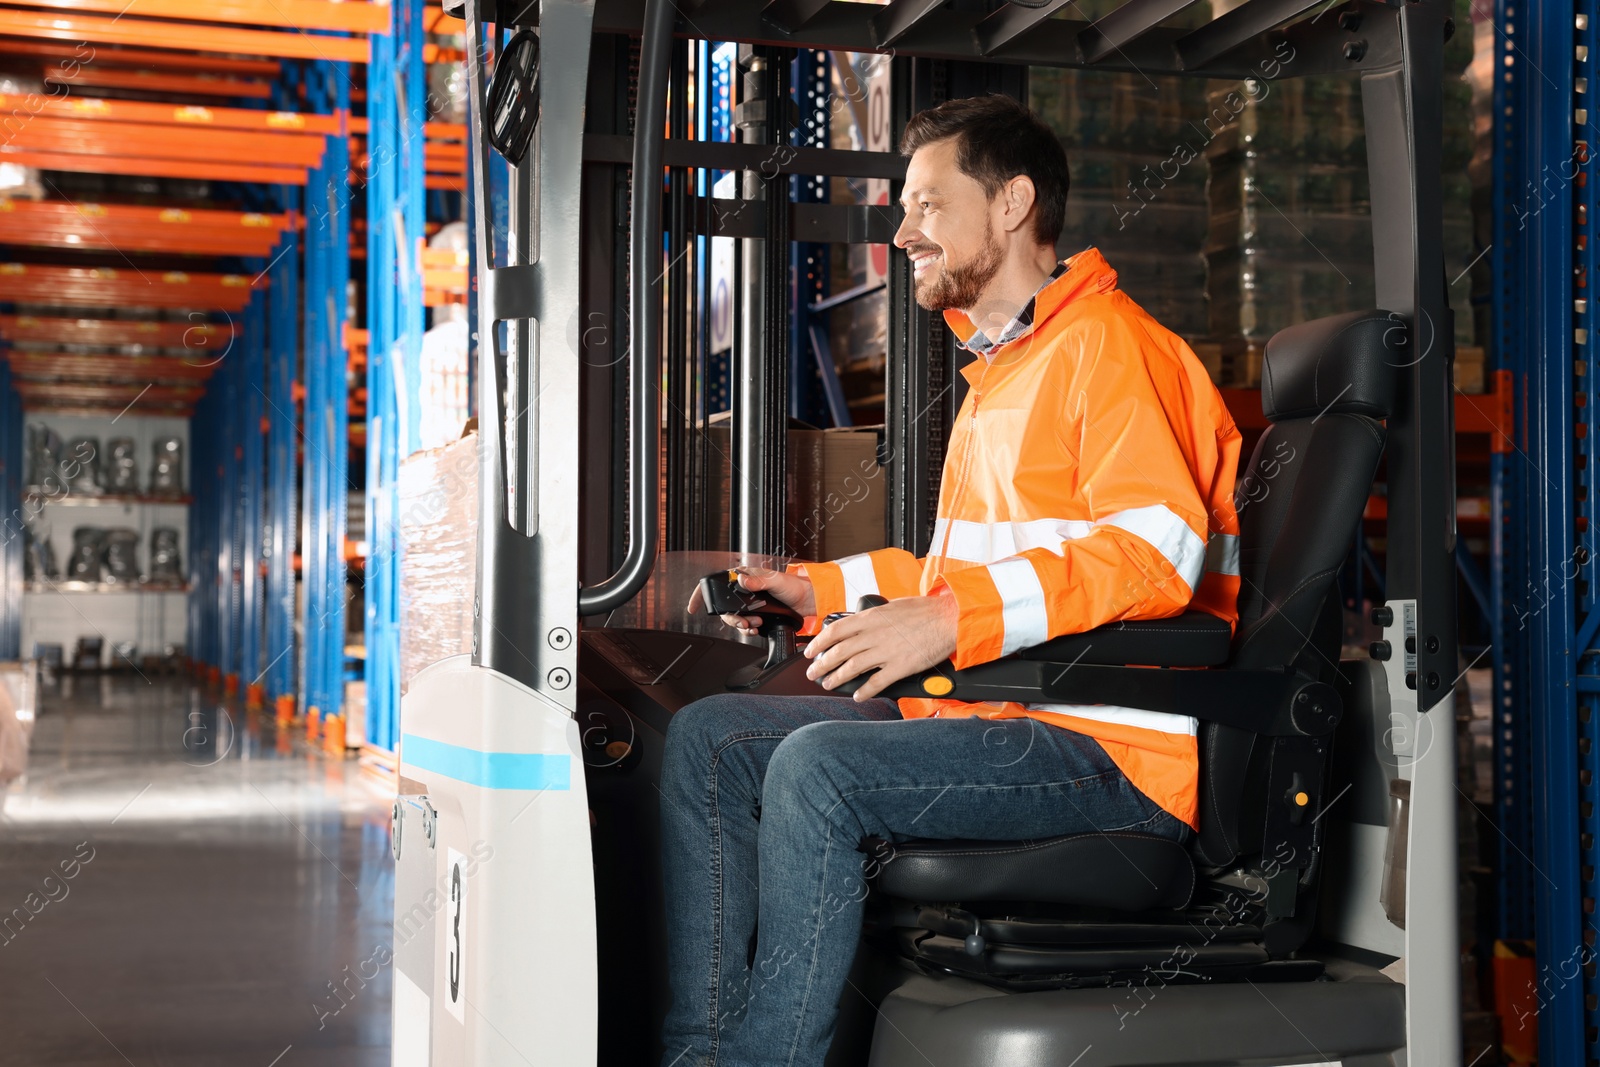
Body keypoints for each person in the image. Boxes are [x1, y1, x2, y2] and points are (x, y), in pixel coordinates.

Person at [659, 93, 1242, 1067]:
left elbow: (1154, 552)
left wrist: (944, 620)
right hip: (1007, 719)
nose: (902, 232)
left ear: (1010, 203)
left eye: (928, 205)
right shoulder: (1005, 369)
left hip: (1099, 746)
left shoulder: (1107, 349)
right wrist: (816, 588)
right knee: (709, 740)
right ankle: (704, 1053)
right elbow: (957, 573)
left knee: (815, 767)